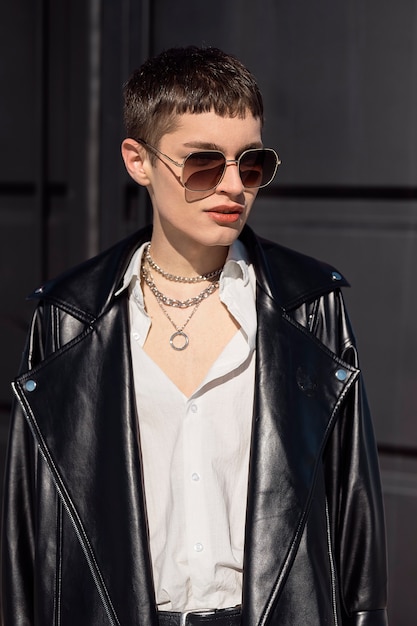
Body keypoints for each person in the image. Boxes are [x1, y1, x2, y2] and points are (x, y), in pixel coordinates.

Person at [1, 46, 388, 625]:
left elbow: (355, 526)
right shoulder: (69, 318)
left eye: (251, 164)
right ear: (138, 160)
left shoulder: (309, 307)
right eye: (204, 163)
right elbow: (29, 540)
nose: (233, 186)